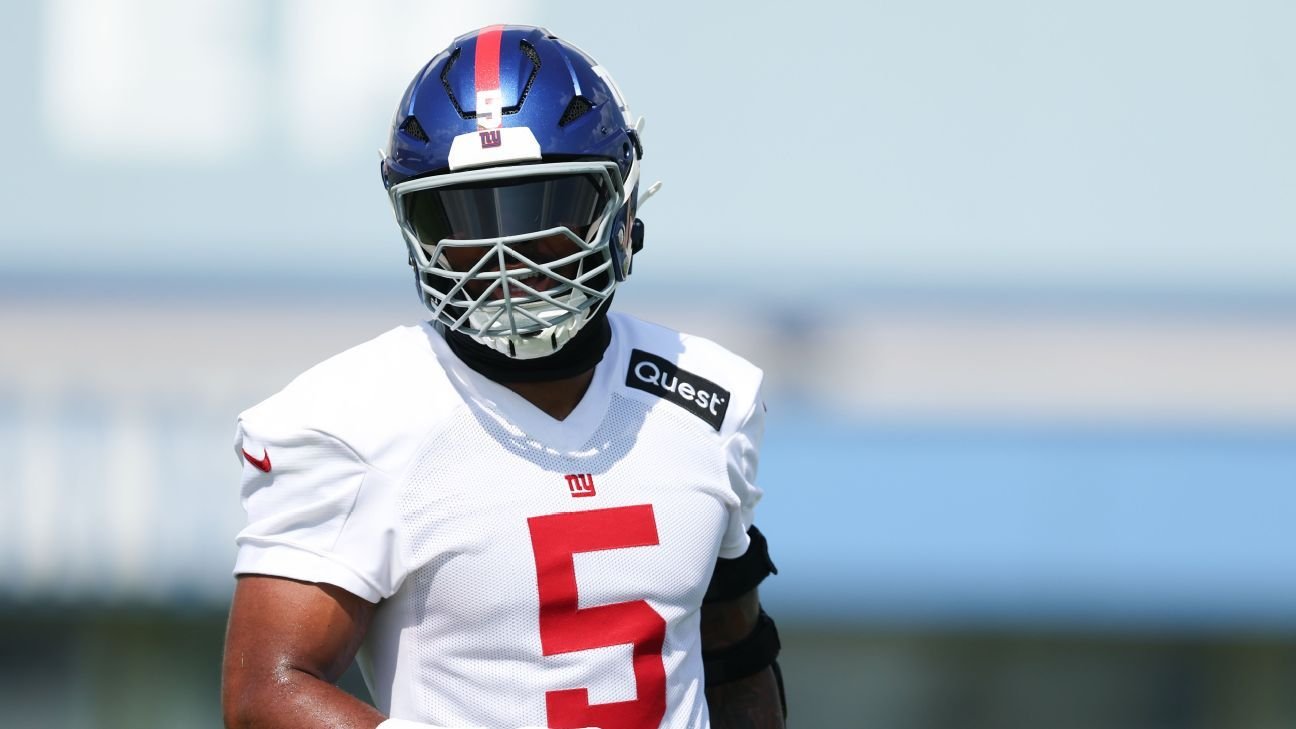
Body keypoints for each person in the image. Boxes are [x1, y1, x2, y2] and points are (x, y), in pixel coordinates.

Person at [221, 25, 785, 729]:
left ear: (618, 205)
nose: (506, 255)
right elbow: (266, 693)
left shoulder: (708, 396)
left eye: (541, 207)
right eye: (464, 215)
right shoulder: (352, 420)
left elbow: (734, 654)